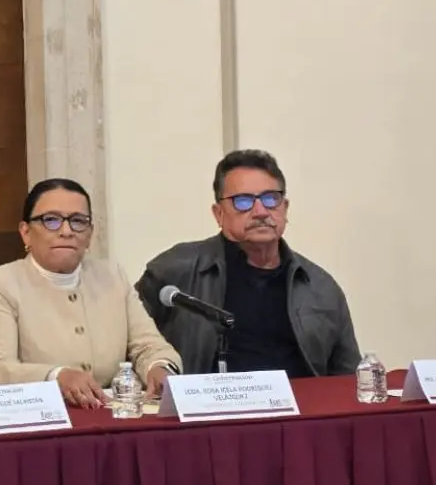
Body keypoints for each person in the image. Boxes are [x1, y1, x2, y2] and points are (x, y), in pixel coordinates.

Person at [135, 149, 361, 378]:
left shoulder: (319, 287)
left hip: (300, 410)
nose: (261, 211)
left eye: (271, 199)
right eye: (243, 202)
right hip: (208, 410)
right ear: (218, 214)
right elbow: (133, 346)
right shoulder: (174, 271)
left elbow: (348, 380)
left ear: (285, 208)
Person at [0, 179, 181, 409]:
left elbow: (148, 345)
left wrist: (159, 367)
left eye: (77, 221)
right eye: (51, 220)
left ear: (90, 234)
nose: (66, 231)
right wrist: (57, 376)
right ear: (26, 233)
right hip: (44, 417)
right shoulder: (0, 283)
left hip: (111, 415)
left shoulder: (112, 277)